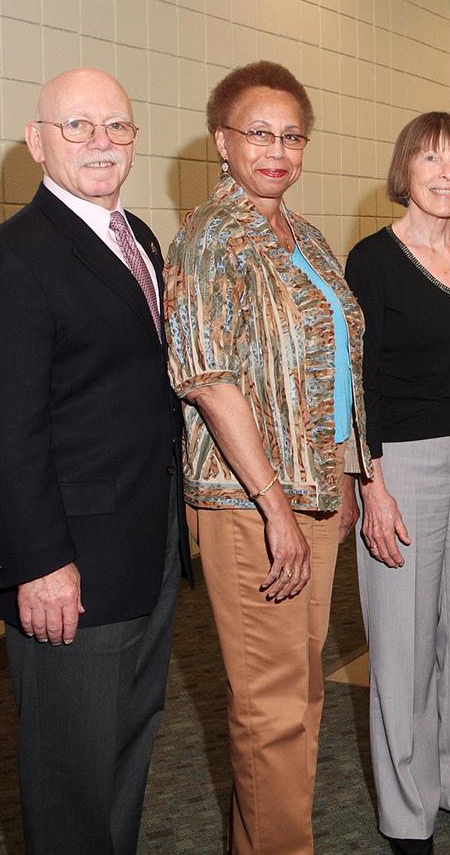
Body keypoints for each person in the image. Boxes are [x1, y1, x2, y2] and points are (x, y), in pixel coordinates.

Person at [0, 68, 189, 855]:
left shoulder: (138, 239)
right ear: (36, 141)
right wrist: (39, 564)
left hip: (142, 547)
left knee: (126, 747)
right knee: (70, 771)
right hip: (70, 568)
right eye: (77, 126)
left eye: (116, 126)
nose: (100, 142)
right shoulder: (12, 259)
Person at [165, 61, 365, 855]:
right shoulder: (213, 237)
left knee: (298, 695)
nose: (276, 150)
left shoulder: (301, 233)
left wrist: (350, 476)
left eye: (291, 135)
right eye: (259, 133)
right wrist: (278, 508)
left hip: (311, 497)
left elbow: (335, 365)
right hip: (251, 508)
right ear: (222, 140)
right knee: (271, 708)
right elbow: (210, 383)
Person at [344, 112, 450, 855]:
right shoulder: (370, 260)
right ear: (404, 170)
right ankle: (408, 809)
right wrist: (369, 482)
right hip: (399, 463)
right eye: (430, 158)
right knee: (403, 644)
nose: (445, 172)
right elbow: (357, 380)